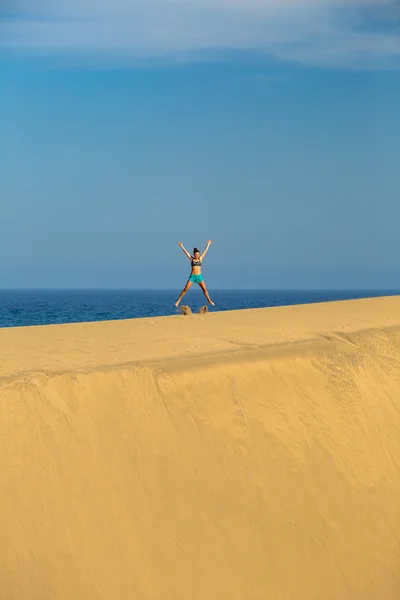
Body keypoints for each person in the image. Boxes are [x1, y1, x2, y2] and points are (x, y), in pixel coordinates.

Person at [175, 240, 215, 307]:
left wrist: (208, 244)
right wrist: (181, 246)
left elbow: (205, 251)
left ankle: (209, 300)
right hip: (192, 277)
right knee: (185, 289)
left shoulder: (200, 259)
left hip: (199, 277)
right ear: (194, 254)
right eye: (196, 254)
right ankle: (178, 301)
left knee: (204, 289)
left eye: (198, 254)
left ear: (199, 254)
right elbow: (186, 252)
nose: (197, 255)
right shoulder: (191, 259)